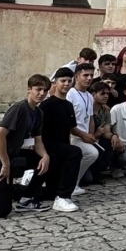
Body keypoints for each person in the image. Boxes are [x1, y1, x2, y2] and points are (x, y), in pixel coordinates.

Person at [0, 74, 51, 218]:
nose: (42, 93)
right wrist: (5, 164)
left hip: (12, 160)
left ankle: (26, 198)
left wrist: (45, 156)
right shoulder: (19, 108)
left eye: (45, 90)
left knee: (46, 162)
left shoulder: (38, 113)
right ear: (29, 89)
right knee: (1, 210)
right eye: (38, 89)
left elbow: (38, 141)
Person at [39, 69, 84, 212]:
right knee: (75, 152)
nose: (66, 84)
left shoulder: (69, 105)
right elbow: (38, 131)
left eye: (69, 81)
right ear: (55, 82)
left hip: (62, 147)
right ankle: (64, 197)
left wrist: (85, 135)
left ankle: (17, 192)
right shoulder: (47, 105)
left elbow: (71, 128)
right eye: (63, 81)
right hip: (48, 146)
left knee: (50, 192)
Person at [67, 63, 101, 190]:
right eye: (85, 75)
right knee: (92, 153)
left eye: (91, 75)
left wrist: (90, 135)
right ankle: (71, 183)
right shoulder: (70, 94)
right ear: (76, 76)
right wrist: (83, 135)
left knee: (92, 153)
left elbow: (90, 118)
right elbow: (68, 122)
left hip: (84, 136)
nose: (89, 78)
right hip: (72, 136)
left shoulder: (89, 96)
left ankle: (74, 183)